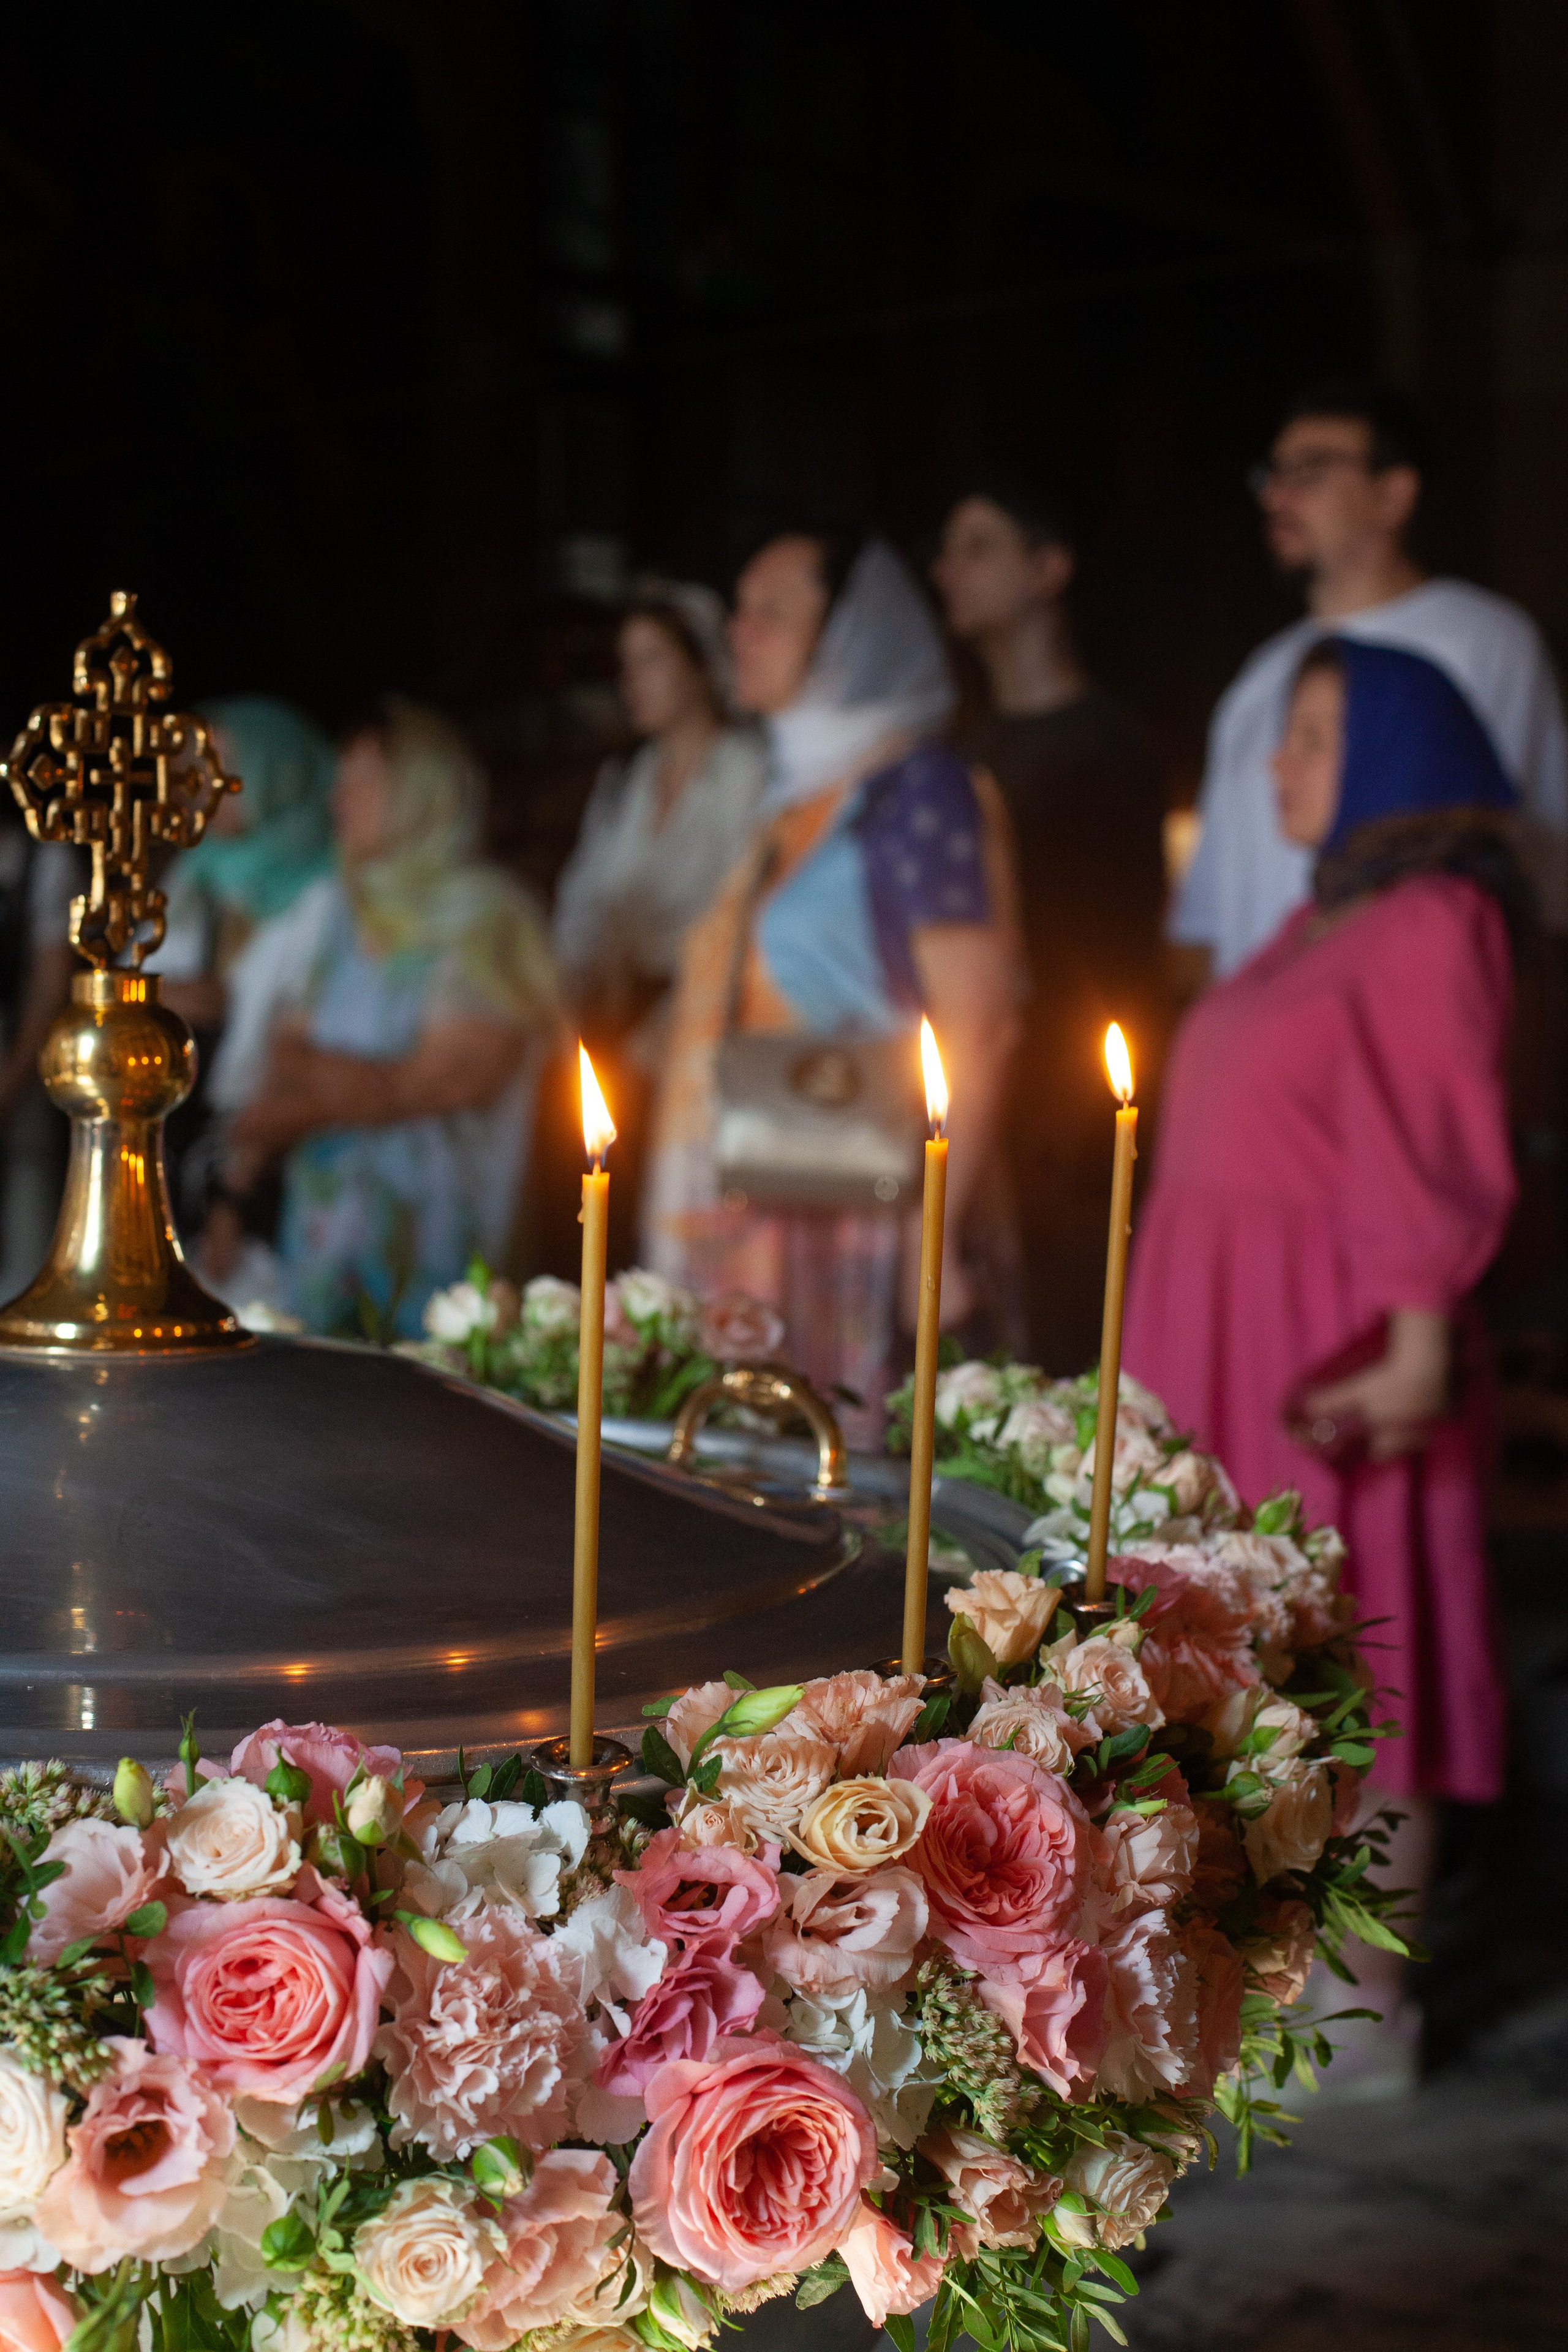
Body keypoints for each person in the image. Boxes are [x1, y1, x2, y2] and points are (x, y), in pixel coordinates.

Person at [1126, 636, 1525, 2089]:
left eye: (1309, 735)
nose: (1276, 764)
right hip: (1227, 1320)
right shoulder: (1315, 919)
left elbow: (1430, 1126)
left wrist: (1416, 1338)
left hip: (1325, 1338)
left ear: (1392, 757)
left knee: (1364, 1648)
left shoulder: (1426, 917)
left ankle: (1361, 2012)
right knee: (1248, 1658)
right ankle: (1261, 1979)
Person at [643, 533, 1022, 1442]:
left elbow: (982, 1021)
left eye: (773, 611)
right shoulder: (794, 794)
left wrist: (937, 1243)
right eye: (739, 610)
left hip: (855, 1214)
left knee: (840, 1487)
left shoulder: (918, 791)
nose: (741, 632)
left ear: (852, 635)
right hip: (754, 1192)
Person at [1171, 377, 1568, 981]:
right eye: (1271, 475)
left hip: (1400, 1037)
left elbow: (1530, 876)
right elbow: (1209, 918)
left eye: (1309, 473)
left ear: (1393, 495)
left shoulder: (1483, 644)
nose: (1276, 497)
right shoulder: (1260, 678)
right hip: (1267, 1041)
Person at [224, 700, 562, 1338]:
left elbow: (437, 1082)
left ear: (419, 794)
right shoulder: (338, 915)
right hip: (324, 1252)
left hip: (443, 1257)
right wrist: (360, 1084)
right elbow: (287, 1059)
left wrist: (314, 1090)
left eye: (362, 780)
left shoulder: (487, 917)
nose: (338, 797)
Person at [933, 483, 1167, 1371]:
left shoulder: (1107, 745)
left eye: (979, 546)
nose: (950, 570)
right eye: (947, 550)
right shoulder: (965, 748)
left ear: (1049, 569)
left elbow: (1117, 956)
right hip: (986, 1099)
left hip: (1066, 1117)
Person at [552, 583, 766, 1264]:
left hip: (699, 1014)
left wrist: (669, 1016)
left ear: (699, 667)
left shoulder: (746, 773)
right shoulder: (630, 779)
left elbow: (741, 909)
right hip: (614, 1011)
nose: (630, 680)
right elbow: (584, 899)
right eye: (626, 662)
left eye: (651, 659)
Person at [146, 697, 338, 1273]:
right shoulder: (195, 872)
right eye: (188, 769)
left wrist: (235, 1190)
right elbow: (120, 981)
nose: (194, 786)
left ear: (271, 773)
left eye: (216, 768)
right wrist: (163, 995)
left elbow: (309, 1037)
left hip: (273, 1169)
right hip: (174, 1148)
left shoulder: (327, 891)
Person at [0, 812, 76, 1301]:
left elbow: (50, 995)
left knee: (27, 1266)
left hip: (21, 1082)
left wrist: (7, 1091)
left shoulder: (43, 861)